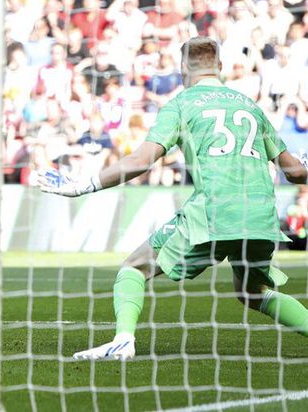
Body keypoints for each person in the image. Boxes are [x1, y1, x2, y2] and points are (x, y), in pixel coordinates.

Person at [37, 37, 308, 360]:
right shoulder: (249, 105)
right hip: (262, 215)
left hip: (213, 212)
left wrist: (83, 185)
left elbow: (140, 162)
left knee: (135, 269)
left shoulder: (182, 104)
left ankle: (123, 340)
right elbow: (293, 171)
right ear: (219, 67)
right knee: (253, 292)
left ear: (183, 68)